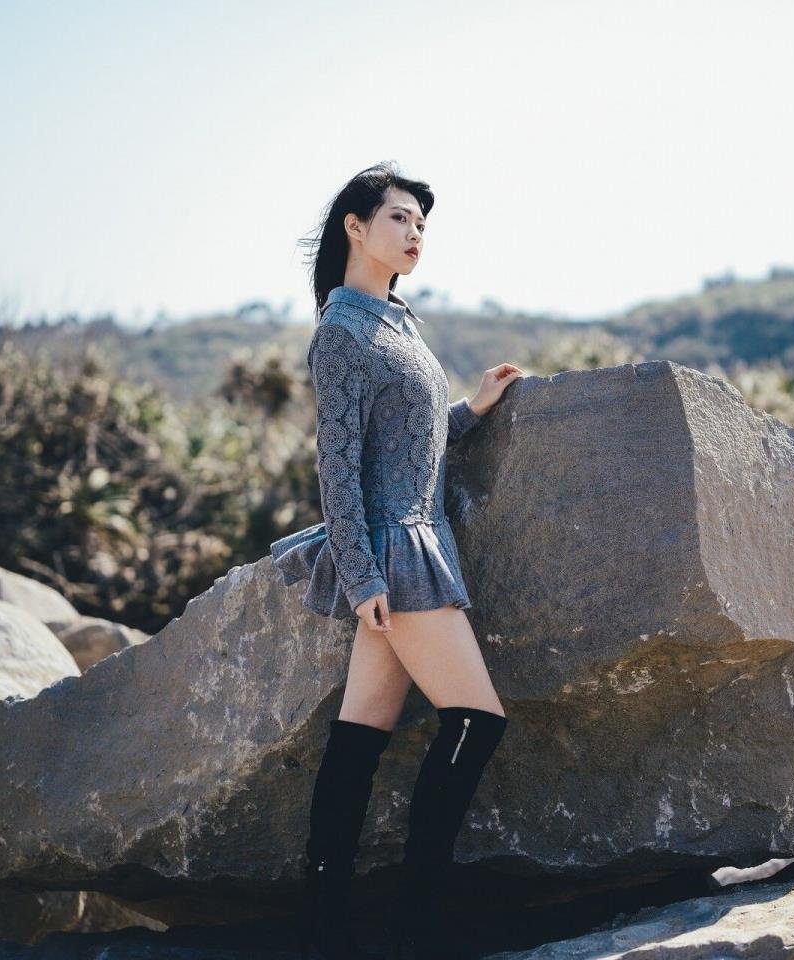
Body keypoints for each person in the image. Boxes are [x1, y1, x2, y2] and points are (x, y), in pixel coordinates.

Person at [269, 162, 523, 959]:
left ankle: (323, 926)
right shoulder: (342, 332)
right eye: (399, 218)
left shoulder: (396, 322)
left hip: (414, 541)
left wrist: (471, 410)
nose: (415, 233)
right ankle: (417, 924)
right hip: (392, 552)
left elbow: (412, 441)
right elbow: (338, 467)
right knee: (477, 720)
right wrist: (362, 576)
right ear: (356, 227)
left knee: (359, 739)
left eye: (420, 223)